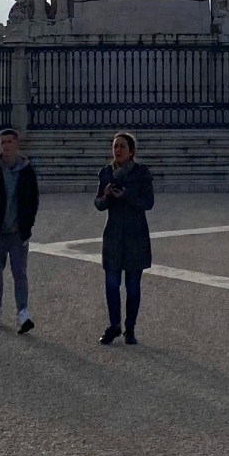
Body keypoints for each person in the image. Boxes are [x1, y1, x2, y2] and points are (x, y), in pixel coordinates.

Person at [94, 132, 154, 345]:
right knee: (111, 284)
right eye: (115, 146)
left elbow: (148, 202)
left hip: (135, 235)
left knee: (133, 285)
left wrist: (126, 195)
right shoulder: (106, 173)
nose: (117, 150)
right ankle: (114, 325)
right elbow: (98, 204)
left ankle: (130, 328)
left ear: (131, 151)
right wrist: (107, 195)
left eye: (122, 146)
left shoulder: (141, 173)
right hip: (113, 235)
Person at [0, 128, 39, 334]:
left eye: (10, 141)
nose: (6, 145)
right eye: (3, 142)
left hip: (18, 232)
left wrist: (27, 226)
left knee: (19, 273)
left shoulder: (27, 172)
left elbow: (33, 201)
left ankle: (23, 313)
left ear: (16, 144)